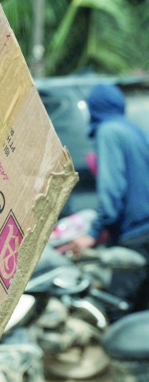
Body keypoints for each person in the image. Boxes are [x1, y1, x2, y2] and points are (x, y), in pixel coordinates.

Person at [64, 84, 149, 311]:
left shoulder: (108, 132)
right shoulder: (134, 130)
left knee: (120, 310)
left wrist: (93, 233)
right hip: (145, 231)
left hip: (133, 235)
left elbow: (113, 187)